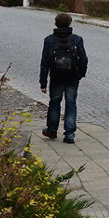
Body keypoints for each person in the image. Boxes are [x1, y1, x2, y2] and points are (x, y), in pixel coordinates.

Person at [39, 12, 88, 143]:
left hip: (56, 77)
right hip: (72, 77)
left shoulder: (49, 40)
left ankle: (52, 130)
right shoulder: (77, 39)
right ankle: (70, 134)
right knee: (71, 103)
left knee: (55, 103)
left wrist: (43, 83)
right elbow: (83, 59)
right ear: (69, 23)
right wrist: (80, 74)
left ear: (56, 24)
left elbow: (44, 62)